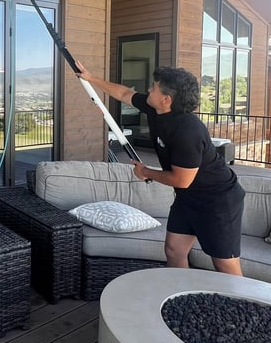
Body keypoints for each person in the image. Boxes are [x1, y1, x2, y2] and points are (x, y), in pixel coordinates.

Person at [75, 61, 245, 276]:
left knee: (224, 265)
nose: (148, 90)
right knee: (174, 250)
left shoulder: (187, 131)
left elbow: (182, 179)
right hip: (188, 197)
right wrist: (90, 78)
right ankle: (180, 292)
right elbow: (124, 94)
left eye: (153, 87)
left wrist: (145, 172)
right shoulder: (156, 109)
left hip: (218, 201)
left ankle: (241, 298)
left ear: (166, 99)